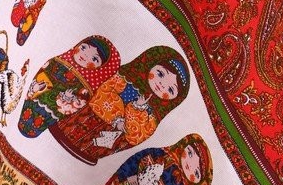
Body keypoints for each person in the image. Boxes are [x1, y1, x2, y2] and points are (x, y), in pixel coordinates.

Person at [50, 45, 190, 164]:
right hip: (77, 122)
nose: (162, 85)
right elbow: (102, 91)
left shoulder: (154, 113)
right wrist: (117, 118)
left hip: (98, 148)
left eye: (170, 90)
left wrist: (136, 109)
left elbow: (137, 136)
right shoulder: (125, 77)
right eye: (160, 74)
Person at [17, 35, 120, 137]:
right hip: (34, 99)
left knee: (41, 120)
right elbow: (42, 73)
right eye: (83, 48)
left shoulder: (85, 86)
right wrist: (35, 87)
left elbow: (78, 102)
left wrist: (67, 98)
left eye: (94, 58)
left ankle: (33, 130)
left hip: (50, 112)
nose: (85, 55)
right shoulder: (58, 61)